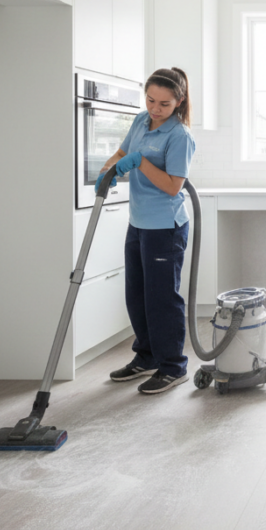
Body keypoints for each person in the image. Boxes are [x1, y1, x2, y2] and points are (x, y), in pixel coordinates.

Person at [96, 67, 197, 394]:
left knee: (161, 299)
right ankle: (147, 357)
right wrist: (108, 169)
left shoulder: (179, 136)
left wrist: (141, 163)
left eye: (164, 104)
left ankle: (172, 366)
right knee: (137, 295)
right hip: (138, 222)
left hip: (165, 227)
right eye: (151, 100)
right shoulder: (141, 121)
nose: (155, 109)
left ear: (178, 102)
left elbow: (172, 186)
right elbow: (123, 153)